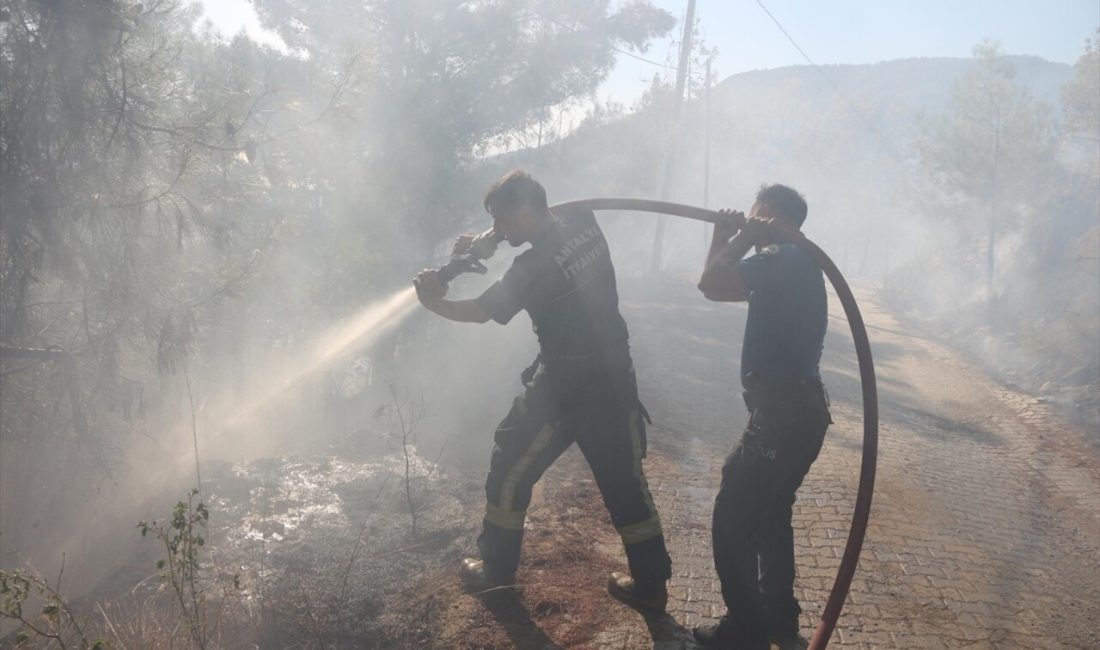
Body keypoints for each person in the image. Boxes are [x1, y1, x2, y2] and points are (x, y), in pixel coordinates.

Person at [413, 170, 672, 611]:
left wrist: (434, 303)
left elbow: (480, 312)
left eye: (505, 221)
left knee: (510, 464)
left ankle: (496, 571)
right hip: (613, 379)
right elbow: (554, 215)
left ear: (527, 210)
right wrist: (490, 240)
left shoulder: (532, 269)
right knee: (625, 485)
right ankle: (651, 586)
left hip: (564, 387)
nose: (502, 230)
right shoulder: (585, 223)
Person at [693, 184, 832, 650]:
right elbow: (718, 291)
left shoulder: (780, 256)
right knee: (772, 513)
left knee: (731, 516)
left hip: (782, 417)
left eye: (755, 213)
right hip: (801, 415)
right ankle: (777, 617)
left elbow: (709, 282)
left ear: (766, 213)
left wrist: (735, 236)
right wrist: (724, 234)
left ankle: (746, 629)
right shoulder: (792, 261)